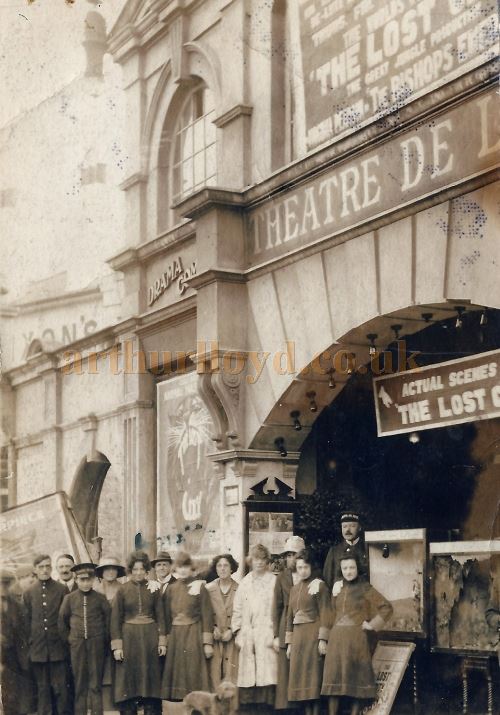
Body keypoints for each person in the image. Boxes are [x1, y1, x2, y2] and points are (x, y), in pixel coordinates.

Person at [321, 555, 393, 715]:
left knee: (356, 680)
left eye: (352, 567)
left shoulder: (365, 587)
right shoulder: (337, 588)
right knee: (334, 680)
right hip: (336, 640)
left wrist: (372, 624)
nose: (348, 571)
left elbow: (387, 607)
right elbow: (329, 613)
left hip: (356, 640)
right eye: (345, 568)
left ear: (358, 568)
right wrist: (323, 638)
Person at [111, 551, 166, 715]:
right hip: (129, 638)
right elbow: (115, 620)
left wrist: (162, 642)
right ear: (130, 570)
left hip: (150, 638)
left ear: (147, 570)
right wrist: (117, 646)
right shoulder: (122, 590)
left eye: (142, 569)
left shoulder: (154, 588)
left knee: (151, 678)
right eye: (135, 569)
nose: (138, 573)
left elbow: (161, 616)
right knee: (128, 679)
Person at [58, 563, 111, 715]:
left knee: (95, 685)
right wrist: (70, 639)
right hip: (77, 646)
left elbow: (108, 621)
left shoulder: (100, 599)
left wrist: (102, 641)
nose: (85, 583)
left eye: (88, 580)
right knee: (80, 685)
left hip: (96, 646)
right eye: (82, 580)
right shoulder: (69, 599)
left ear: (93, 580)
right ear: (76, 579)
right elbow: (62, 622)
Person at [161, 551, 214, 701]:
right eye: (180, 567)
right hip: (176, 635)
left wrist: (207, 643)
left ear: (191, 568)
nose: (183, 570)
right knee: (177, 672)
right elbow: (165, 616)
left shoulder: (199, 587)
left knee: (192, 670)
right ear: (175, 569)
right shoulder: (171, 588)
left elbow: (207, 614)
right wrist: (166, 639)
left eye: (186, 566)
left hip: (193, 633)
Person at [23, 553, 72, 715]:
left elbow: (66, 618)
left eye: (47, 566)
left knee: (61, 690)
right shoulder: (29, 592)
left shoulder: (61, 589)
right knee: (43, 690)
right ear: (35, 570)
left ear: (51, 568)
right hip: (38, 650)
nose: (45, 570)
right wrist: (31, 645)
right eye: (41, 567)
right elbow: (26, 621)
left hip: (58, 648)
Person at [231, 543, 278, 710]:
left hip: (267, 631)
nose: (259, 562)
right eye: (256, 559)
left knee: (267, 674)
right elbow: (237, 608)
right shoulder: (245, 582)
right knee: (249, 674)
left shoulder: (274, 581)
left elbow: (278, 608)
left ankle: (267, 708)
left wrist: (275, 634)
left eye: (263, 559)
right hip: (248, 632)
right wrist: (237, 632)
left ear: (267, 561)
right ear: (251, 560)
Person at [285, 550, 332, 715]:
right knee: (301, 679)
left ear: (311, 567)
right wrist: (289, 643)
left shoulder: (319, 585)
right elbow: (289, 616)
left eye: (306, 566)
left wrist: (323, 639)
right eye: (299, 567)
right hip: (298, 639)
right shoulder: (294, 589)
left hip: (313, 635)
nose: (303, 570)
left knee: (313, 679)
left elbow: (326, 612)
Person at [272, 535, 305, 711]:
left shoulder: (311, 573)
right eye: (288, 555)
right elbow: (276, 607)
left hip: (305, 626)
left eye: (294, 554)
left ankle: (301, 705)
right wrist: (276, 635)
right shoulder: (282, 577)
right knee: (285, 670)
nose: (291, 558)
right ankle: (285, 708)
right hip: (286, 625)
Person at [1, 568, 36, 715]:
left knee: (19, 694)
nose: (3, 588)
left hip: (16, 655)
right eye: (1, 584)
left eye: (6, 584)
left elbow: (24, 631)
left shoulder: (17, 605)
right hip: (1, 657)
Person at [94, 555, 126, 712]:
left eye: (113, 569)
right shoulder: (95, 590)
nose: (110, 572)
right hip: (100, 636)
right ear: (101, 572)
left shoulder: (124, 589)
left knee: (119, 668)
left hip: (120, 634)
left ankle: (119, 702)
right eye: (106, 569)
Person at [205, 553, 239, 689]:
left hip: (232, 639)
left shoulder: (240, 589)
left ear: (232, 568)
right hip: (215, 638)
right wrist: (212, 628)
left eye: (226, 565)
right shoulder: (208, 589)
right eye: (219, 566)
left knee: (231, 676)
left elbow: (243, 613)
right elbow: (204, 613)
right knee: (214, 676)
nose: (222, 569)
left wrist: (232, 630)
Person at [323, 512, 368, 592]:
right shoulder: (334, 552)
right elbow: (327, 581)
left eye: (352, 526)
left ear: (359, 527)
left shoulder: (367, 549)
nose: (348, 530)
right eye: (344, 527)